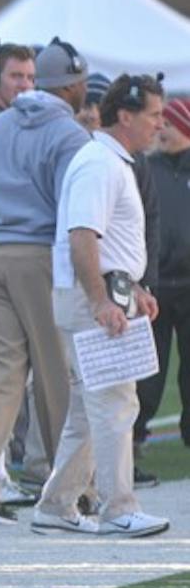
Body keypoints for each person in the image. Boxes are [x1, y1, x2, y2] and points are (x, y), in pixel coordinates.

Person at [0, 43, 91, 525]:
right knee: (56, 374)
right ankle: (70, 487)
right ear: (71, 86)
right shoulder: (69, 134)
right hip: (40, 255)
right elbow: (76, 210)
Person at [32, 75, 168, 538]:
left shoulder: (109, 160)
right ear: (125, 116)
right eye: (153, 114)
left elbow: (107, 243)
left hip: (104, 292)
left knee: (87, 412)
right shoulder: (99, 163)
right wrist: (100, 300)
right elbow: (82, 236)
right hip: (93, 298)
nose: (160, 124)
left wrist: (134, 288)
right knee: (114, 403)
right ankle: (117, 508)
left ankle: (56, 505)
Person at [136, 98, 190, 451]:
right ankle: (134, 435)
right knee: (146, 371)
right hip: (153, 285)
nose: (161, 130)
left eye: (169, 124)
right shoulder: (146, 167)